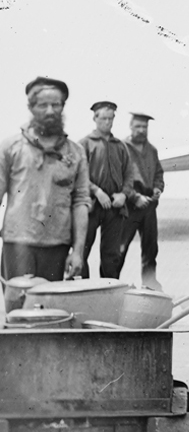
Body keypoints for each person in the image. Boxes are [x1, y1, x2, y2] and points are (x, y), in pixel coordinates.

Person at [0, 77, 90, 282]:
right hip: (18, 243)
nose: (50, 111)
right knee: (19, 309)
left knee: (52, 310)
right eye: (43, 105)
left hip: (57, 246)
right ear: (31, 107)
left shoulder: (76, 153)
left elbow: (81, 202)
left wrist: (77, 252)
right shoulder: (10, 147)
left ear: (62, 107)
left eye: (56, 104)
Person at [80, 101, 136, 278]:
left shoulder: (120, 146)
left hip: (114, 207)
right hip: (90, 206)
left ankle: (109, 291)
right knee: (82, 250)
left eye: (111, 118)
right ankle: (83, 291)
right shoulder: (84, 144)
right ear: (94, 118)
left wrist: (124, 195)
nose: (107, 122)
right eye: (103, 118)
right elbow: (78, 175)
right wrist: (96, 191)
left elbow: (129, 175)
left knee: (111, 255)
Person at [118, 112, 165, 290]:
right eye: (138, 126)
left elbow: (159, 173)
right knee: (120, 247)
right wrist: (135, 197)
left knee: (150, 248)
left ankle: (149, 281)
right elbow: (117, 177)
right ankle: (112, 282)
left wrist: (158, 188)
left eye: (144, 127)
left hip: (149, 206)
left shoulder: (151, 150)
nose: (141, 130)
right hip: (129, 206)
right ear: (130, 126)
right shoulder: (122, 147)